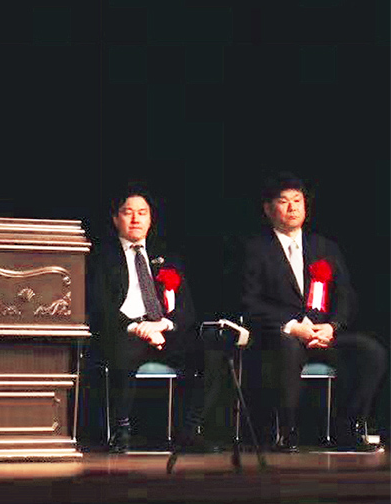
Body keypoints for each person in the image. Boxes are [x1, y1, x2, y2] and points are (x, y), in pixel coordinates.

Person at [241, 172, 385, 452]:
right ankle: (287, 431)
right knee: (287, 347)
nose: (292, 207)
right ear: (268, 209)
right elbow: (249, 302)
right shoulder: (255, 249)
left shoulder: (325, 247)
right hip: (281, 335)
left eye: (298, 200)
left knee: (372, 352)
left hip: (323, 334)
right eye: (284, 201)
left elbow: (346, 296)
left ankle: (349, 428)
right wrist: (292, 327)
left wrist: (332, 326)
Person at [87, 189, 224, 452]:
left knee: (212, 354)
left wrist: (163, 324)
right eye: (128, 213)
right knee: (122, 351)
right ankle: (121, 430)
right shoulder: (102, 257)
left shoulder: (167, 257)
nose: (135, 219)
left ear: (150, 219)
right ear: (116, 219)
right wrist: (137, 327)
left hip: (163, 329)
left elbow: (186, 308)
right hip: (126, 330)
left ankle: (190, 430)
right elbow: (99, 306)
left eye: (142, 213)